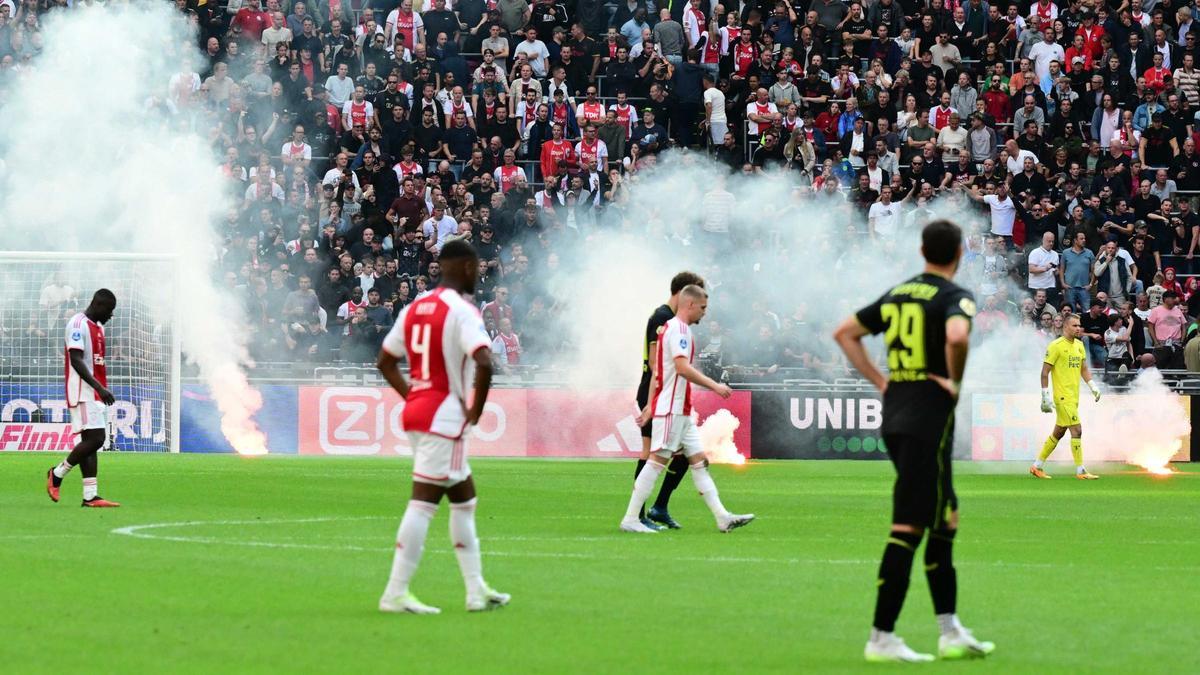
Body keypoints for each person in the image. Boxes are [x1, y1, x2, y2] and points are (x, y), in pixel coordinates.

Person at [833, 219, 994, 663]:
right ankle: (882, 637)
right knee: (910, 525)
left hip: (896, 410)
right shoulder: (954, 296)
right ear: (958, 253)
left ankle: (950, 630)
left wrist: (881, 381)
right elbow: (958, 336)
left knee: (945, 516)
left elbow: (844, 333)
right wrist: (954, 380)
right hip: (929, 415)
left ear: (922, 250)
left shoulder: (898, 292)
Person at [375, 240, 510, 614]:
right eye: (477, 267)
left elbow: (384, 361)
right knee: (423, 504)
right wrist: (475, 412)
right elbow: (485, 362)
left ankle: (476, 589)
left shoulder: (415, 306)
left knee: (465, 499)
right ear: (466, 266)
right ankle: (395, 593)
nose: (479, 273)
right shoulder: (463, 311)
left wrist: (414, 396)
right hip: (444, 417)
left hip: (420, 410)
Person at [620, 285, 754, 534]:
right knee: (656, 462)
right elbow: (681, 368)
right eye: (703, 308)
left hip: (678, 410)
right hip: (672, 408)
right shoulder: (679, 331)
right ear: (690, 304)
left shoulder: (669, 329)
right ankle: (630, 518)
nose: (704, 313)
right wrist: (715, 386)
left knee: (699, 462)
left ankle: (722, 517)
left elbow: (658, 371)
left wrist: (650, 404)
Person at [631, 272, 706, 531]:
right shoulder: (662, 318)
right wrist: (653, 401)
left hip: (670, 394)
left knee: (687, 453)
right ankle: (638, 515)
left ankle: (659, 507)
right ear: (685, 294)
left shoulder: (675, 321)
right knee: (650, 452)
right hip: (657, 392)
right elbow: (655, 363)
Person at [47, 289, 120, 507]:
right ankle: (57, 473)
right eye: (109, 310)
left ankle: (90, 496)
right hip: (82, 391)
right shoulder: (77, 324)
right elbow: (76, 360)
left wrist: (101, 387)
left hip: (95, 390)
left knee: (91, 441)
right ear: (98, 305)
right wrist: (99, 387)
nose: (110, 316)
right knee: (97, 438)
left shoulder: (99, 327)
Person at [1031, 313, 1102, 480]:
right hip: (1062, 397)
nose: (1078, 328)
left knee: (1059, 432)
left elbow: (1083, 368)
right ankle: (1080, 470)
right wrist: (1045, 396)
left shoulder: (1079, 345)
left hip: (1074, 396)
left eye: (1079, 325)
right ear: (1065, 327)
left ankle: (1037, 466)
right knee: (1077, 430)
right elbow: (1044, 372)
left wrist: (1093, 386)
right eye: (1075, 325)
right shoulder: (1055, 346)